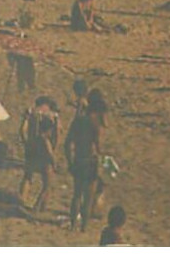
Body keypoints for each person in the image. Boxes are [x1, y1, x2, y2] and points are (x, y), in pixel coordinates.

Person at [64, 89, 107, 232]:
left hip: (78, 159)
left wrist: (70, 162)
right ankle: (83, 228)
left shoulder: (78, 120)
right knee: (88, 198)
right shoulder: (96, 124)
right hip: (91, 161)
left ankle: (72, 224)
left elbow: (67, 143)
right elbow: (99, 147)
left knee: (76, 195)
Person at [18, 98, 59, 211]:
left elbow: (22, 130)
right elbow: (57, 133)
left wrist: (26, 142)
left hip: (31, 147)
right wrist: (54, 148)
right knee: (47, 182)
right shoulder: (53, 115)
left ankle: (21, 200)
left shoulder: (31, 112)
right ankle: (41, 207)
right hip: (45, 150)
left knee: (28, 177)